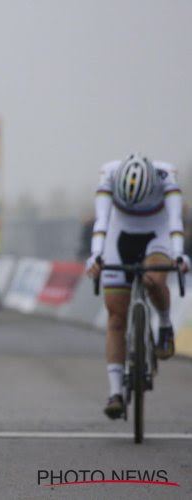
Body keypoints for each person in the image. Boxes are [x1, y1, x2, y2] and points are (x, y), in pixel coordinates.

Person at [85, 153, 189, 420]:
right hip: (119, 237)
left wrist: (178, 254)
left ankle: (164, 323)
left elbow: (176, 221)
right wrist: (95, 256)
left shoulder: (167, 175)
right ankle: (115, 392)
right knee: (116, 318)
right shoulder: (108, 173)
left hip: (157, 234)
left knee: (154, 279)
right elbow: (101, 222)